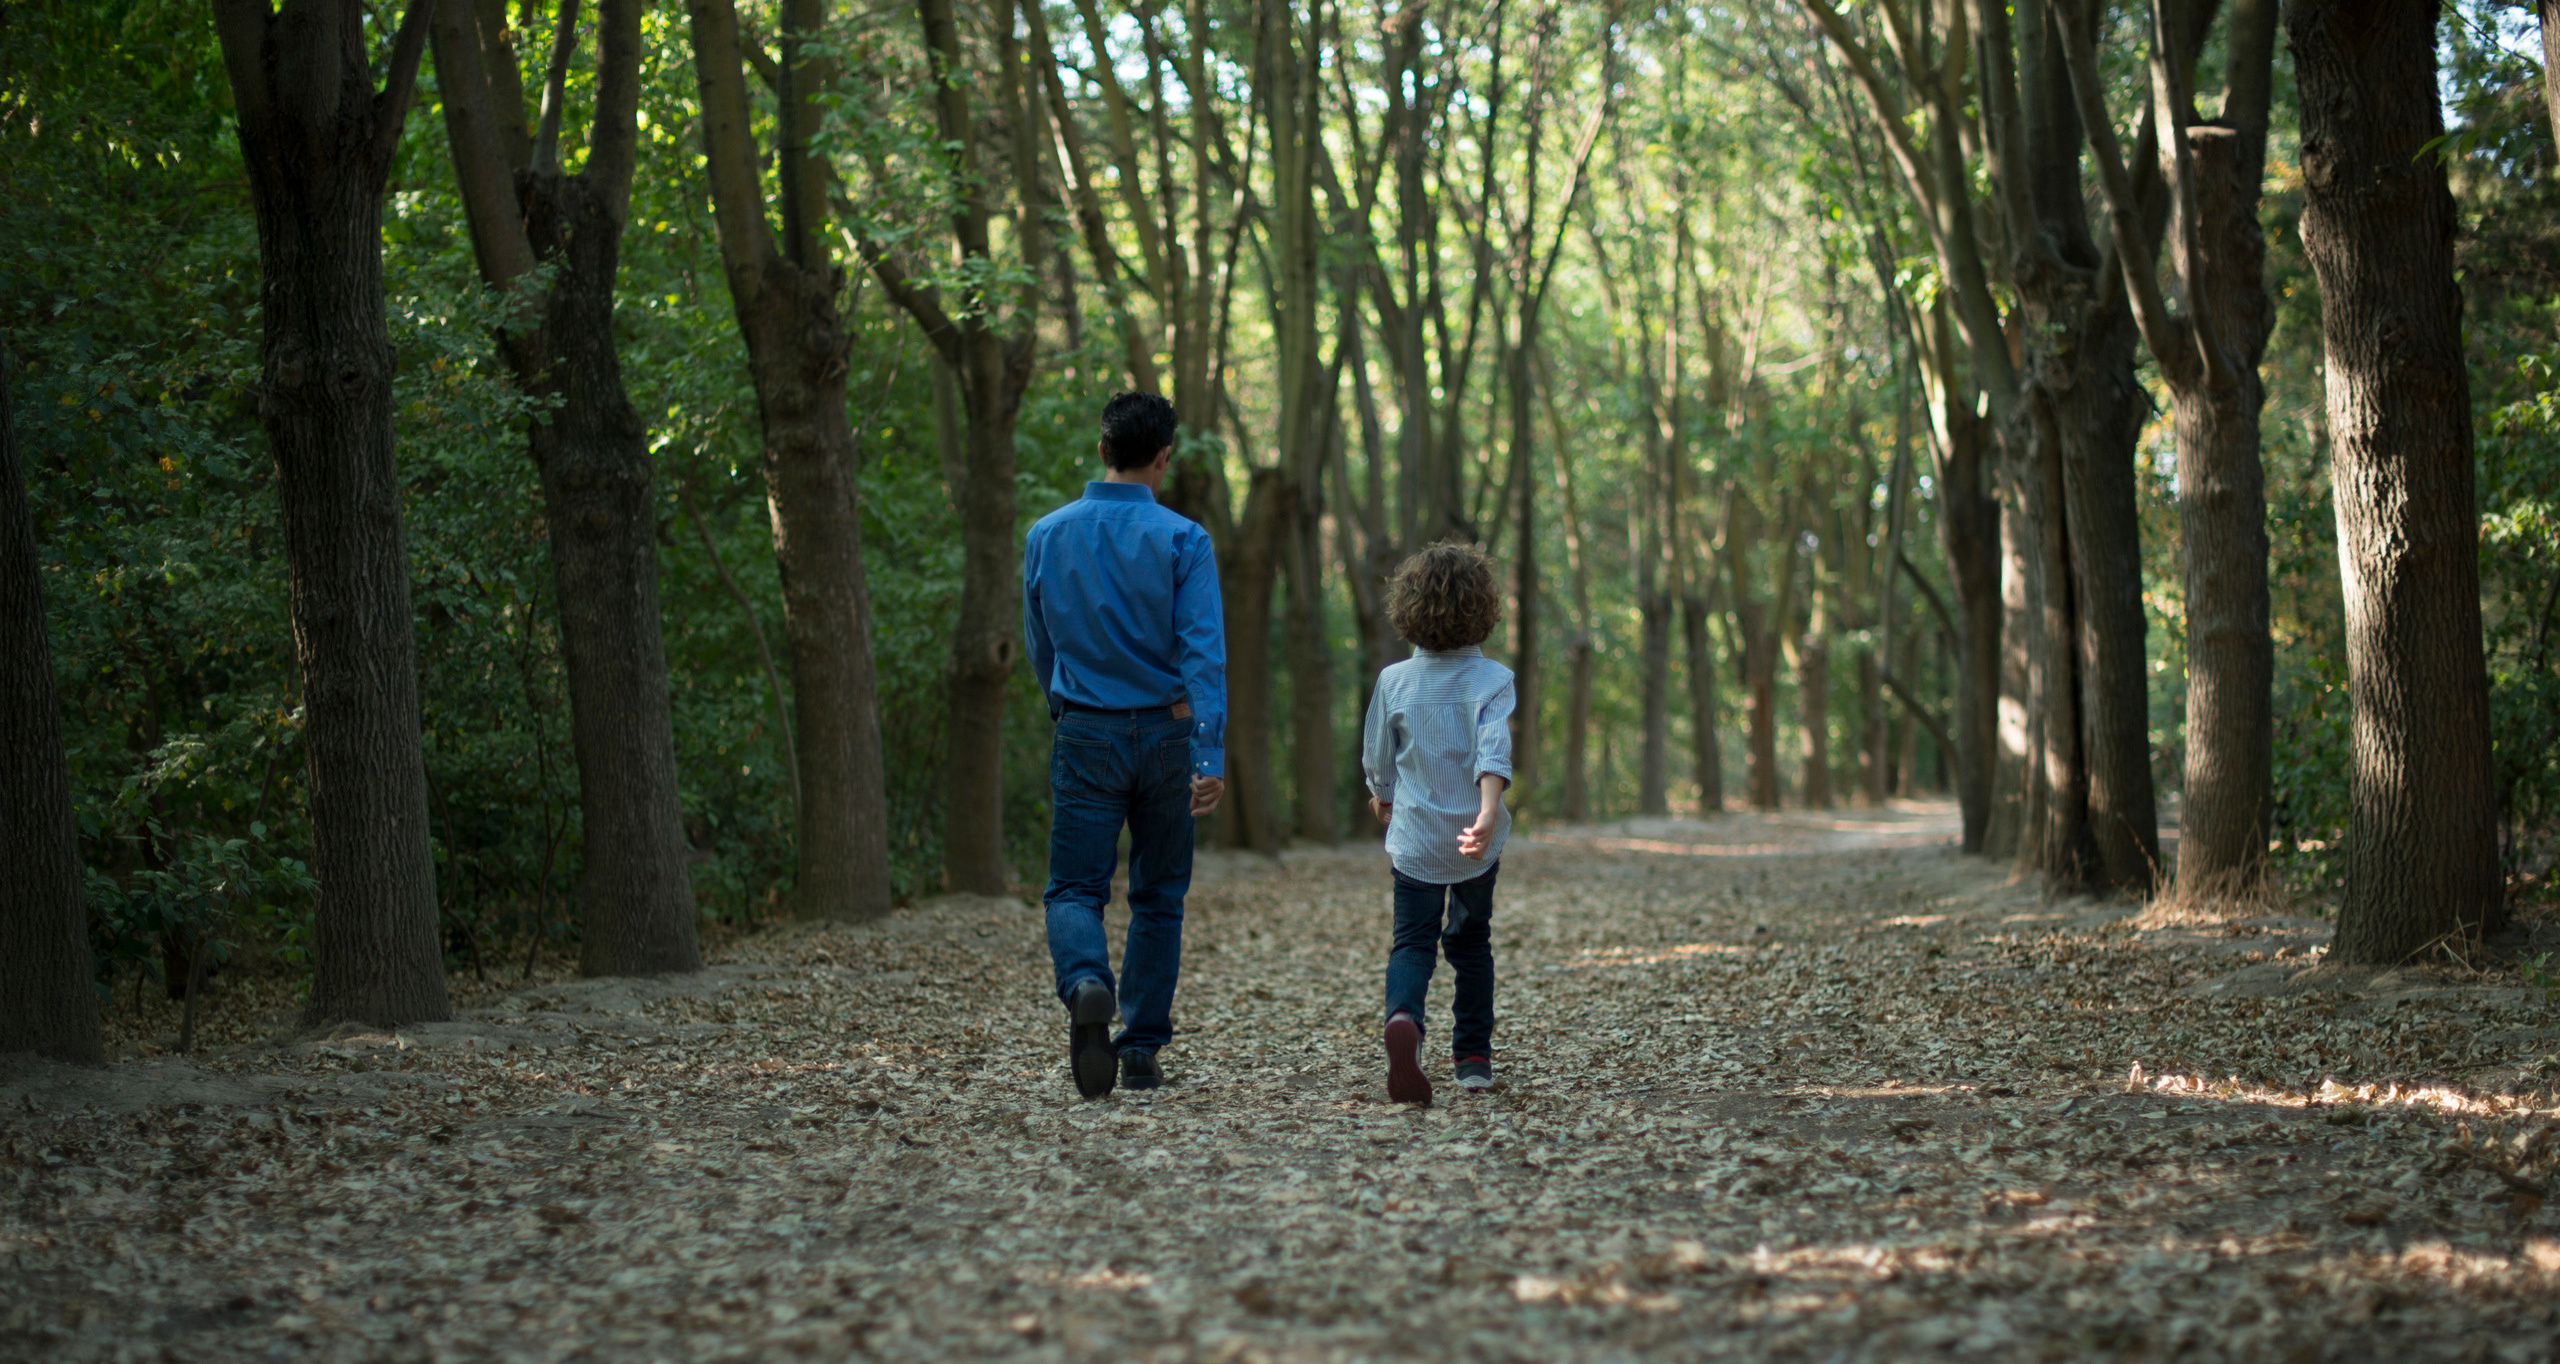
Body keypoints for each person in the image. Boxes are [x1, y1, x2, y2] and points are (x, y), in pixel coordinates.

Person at [1023, 392, 1226, 1100]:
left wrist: (1066, 705)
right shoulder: (1185, 540)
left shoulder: (1046, 535)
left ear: (1102, 449)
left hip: (1086, 729)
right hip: (1168, 734)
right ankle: (1140, 1051)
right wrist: (1208, 754)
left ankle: (1086, 981)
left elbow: (1040, 644)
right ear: (1163, 458)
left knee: (1075, 888)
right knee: (1159, 895)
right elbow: (1203, 654)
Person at [1360, 541, 1513, 1105]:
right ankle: (1472, 1059)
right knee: (1471, 946)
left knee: (1412, 943)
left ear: (1409, 608)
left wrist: (1382, 797)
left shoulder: (1394, 681)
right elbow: (1493, 751)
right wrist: (1487, 811)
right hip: (1475, 840)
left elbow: (1378, 755)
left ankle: (1404, 1019)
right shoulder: (1492, 679)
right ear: (1482, 608)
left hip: (1417, 838)